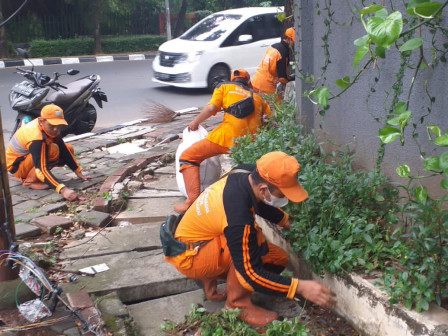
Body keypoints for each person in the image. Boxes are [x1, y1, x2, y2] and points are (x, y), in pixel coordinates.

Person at [165, 151, 337, 327]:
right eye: (282, 194)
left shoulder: (245, 173)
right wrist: (299, 287)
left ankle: (210, 278)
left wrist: (286, 222)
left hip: (196, 241)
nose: (285, 198)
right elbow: (251, 274)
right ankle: (236, 305)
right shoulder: (238, 218)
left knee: (276, 260)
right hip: (190, 256)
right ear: (263, 188)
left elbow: (260, 203)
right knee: (249, 246)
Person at [174, 68, 271, 213]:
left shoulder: (224, 87)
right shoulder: (258, 98)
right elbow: (269, 122)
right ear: (248, 82)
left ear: (233, 79)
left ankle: (191, 203)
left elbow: (211, 108)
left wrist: (194, 123)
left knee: (188, 157)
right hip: (251, 144)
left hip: (224, 138)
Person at [6, 104, 92, 202]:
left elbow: (64, 150)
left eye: (59, 126)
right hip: (16, 166)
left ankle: (42, 178)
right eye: (52, 125)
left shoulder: (49, 130)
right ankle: (29, 181)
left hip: (27, 158)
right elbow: (41, 168)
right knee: (52, 151)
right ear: (42, 122)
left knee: (69, 148)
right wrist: (62, 189)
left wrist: (78, 172)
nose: (56, 129)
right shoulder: (36, 138)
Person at [251, 27, 295, 97]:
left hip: (256, 81)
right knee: (278, 106)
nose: (294, 45)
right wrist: (293, 77)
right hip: (265, 87)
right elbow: (283, 79)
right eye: (293, 42)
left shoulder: (274, 46)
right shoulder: (282, 53)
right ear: (289, 39)